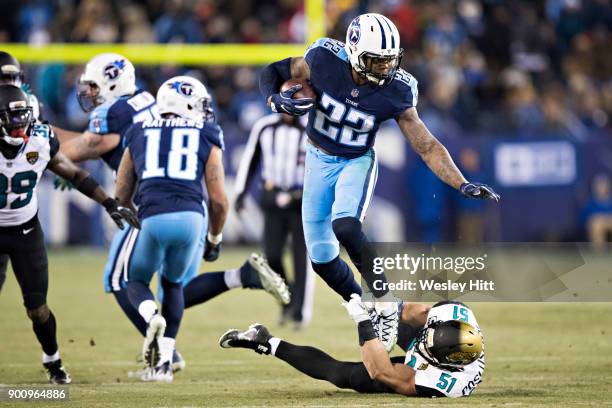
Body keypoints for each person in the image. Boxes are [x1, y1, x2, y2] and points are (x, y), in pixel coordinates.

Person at [258, 13, 500, 350]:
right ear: (355, 52)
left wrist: (461, 183)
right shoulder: (323, 59)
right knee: (322, 259)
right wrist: (274, 99)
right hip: (316, 158)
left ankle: (384, 300)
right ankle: (369, 306)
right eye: (376, 60)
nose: (384, 68)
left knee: (345, 226)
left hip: (356, 160)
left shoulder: (398, 91)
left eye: (389, 61)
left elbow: (427, 145)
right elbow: (273, 72)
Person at [54, 55, 290, 372]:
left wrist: (40, 140)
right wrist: (215, 238)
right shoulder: (171, 114)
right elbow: (219, 198)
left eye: (94, 86)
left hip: (146, 208)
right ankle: (239, 277)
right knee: (174, 286)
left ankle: (160, 343)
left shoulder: (124, 116)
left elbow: (81, 152)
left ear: (112, 83)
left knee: (122, 279)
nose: (90, 93)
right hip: (195, 212)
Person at [0, 84, 139, 384]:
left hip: (25, 231)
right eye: (12, 121)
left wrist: (110, 203)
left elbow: (75, 174)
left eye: (23, 119)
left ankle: (53, 360)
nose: (20, 127)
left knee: (37, 308)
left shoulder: (39, 140)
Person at [220, 298, 484, 398]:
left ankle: (266, 342)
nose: (421, 343)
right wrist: (383, 308)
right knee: (378, 304)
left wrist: (363, 323)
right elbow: (415, 311)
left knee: (345, 375)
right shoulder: (455, 315)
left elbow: (382, 372)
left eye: (427, 346)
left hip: (421, 374)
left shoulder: (446, 381)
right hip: (441, 345)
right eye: (427, 337)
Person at [235, 113, 313, 328]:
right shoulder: (265, 126)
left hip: (302, 200)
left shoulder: (312, 126)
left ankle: (299, 312)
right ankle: (288, 299)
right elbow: (251, 158)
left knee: (301, 258)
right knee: (272, 256)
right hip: (272, 196)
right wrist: (241, 192)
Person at [0, 51, 42, 293]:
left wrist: (63, 164)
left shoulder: (29, 103)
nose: (9, 83)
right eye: (3, 77)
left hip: (15, 196)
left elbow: (46, 138)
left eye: (12, 77)